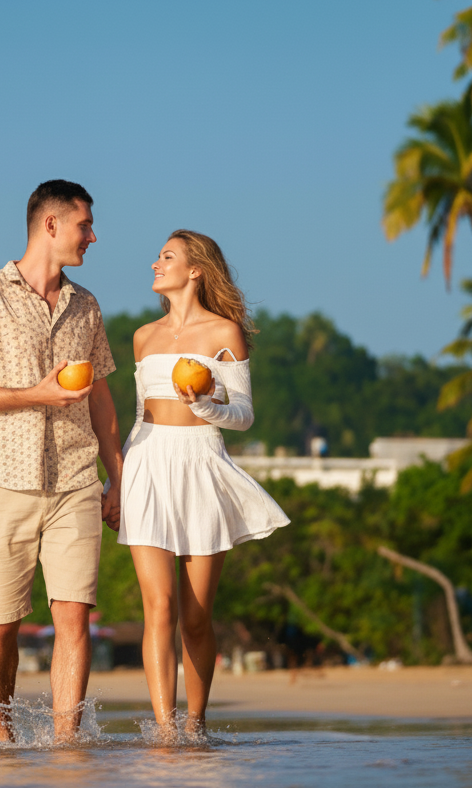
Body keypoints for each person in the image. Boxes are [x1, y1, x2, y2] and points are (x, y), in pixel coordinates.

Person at [0, 179, 123, 743]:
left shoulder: (86, 306)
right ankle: (2, 736)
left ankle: (67, 744)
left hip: (75, 479)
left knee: (74, 618)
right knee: (2, 622)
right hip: (3, 482)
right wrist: (35, 394)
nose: (92, 236)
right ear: (51, 224)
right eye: (84, 225)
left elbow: (100, 396)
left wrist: (117, 477)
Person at [115, 229, 289, 738]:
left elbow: (244, 415)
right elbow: (139, 417)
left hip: (201, 463)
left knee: (195, 616)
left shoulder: (223, 333)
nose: (155, 263)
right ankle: (166, 730)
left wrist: (204, 405)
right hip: (147, 464)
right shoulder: (143, 337)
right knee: (158, 608)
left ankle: (195, 725)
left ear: (195, 270)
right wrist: (116, 480)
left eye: (166, 256)